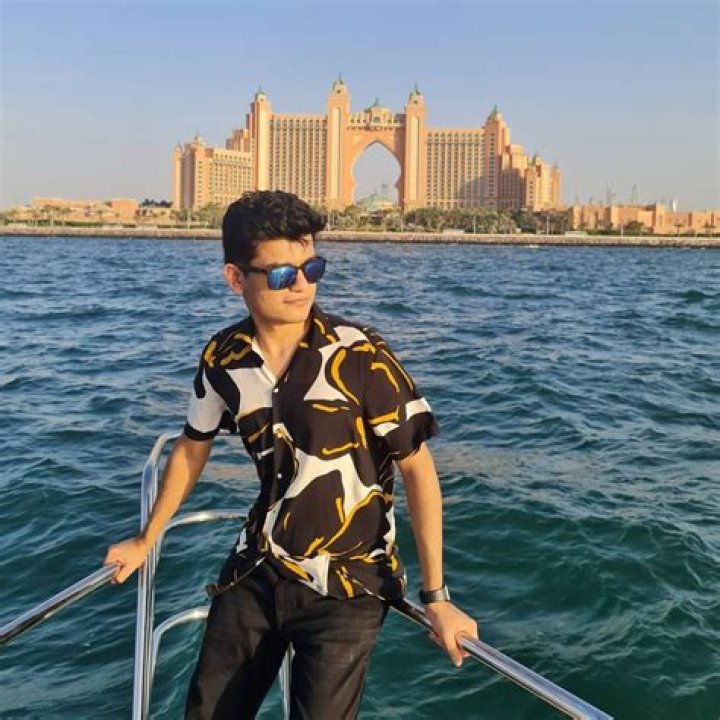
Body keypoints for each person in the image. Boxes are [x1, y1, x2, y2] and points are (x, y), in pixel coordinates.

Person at [104, 190, 478, 719]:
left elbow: (418, 469)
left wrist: (436, 596)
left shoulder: (360, 355)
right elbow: (192, 447)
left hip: (349, 584)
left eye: (312, 268)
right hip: (257, 568)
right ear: (236, 278)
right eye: (282, 274)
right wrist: (148, 538)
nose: (302, 285)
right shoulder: (223, 358)